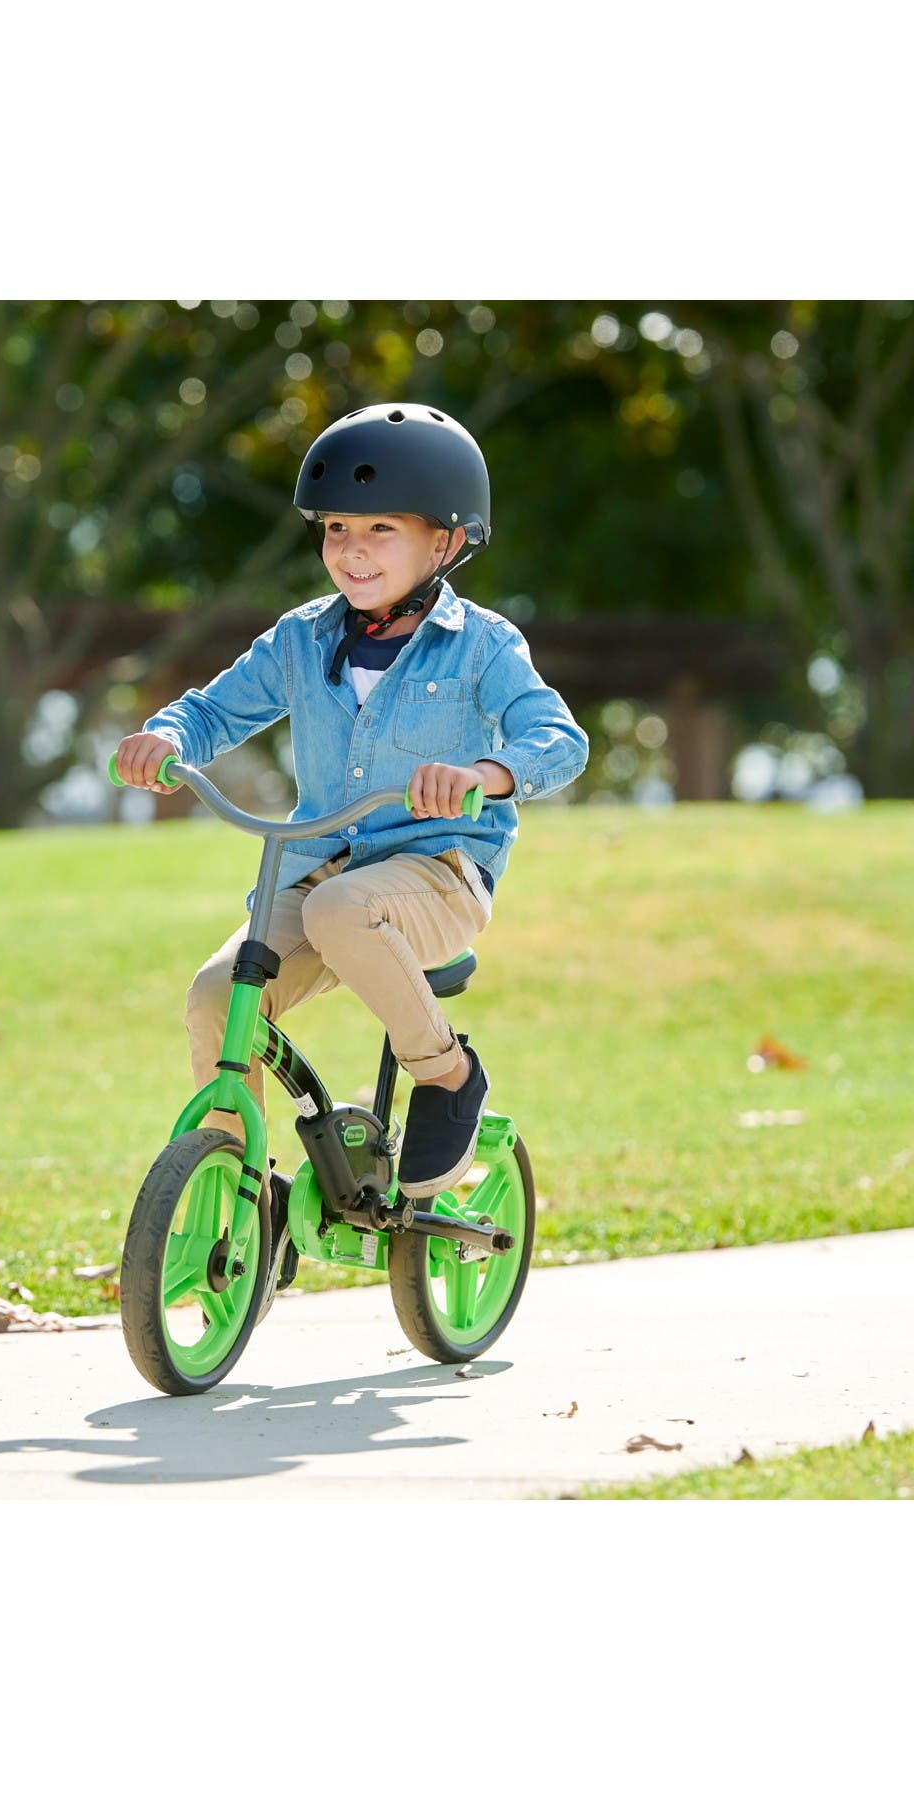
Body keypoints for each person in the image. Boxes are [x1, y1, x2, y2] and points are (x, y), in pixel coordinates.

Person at [114, 401, 588, 1299]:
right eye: (337, 529)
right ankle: (245, 1195)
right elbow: (213, 709)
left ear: (446, 542)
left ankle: (446, 1076)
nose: (353, 550)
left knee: (342, 911)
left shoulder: (483, 646)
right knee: (219, 999)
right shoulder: (301, 639)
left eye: (381, 529)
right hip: (321, 865)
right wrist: (166, 736)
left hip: (435, 875)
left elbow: (558, 740)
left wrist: (486, 771)